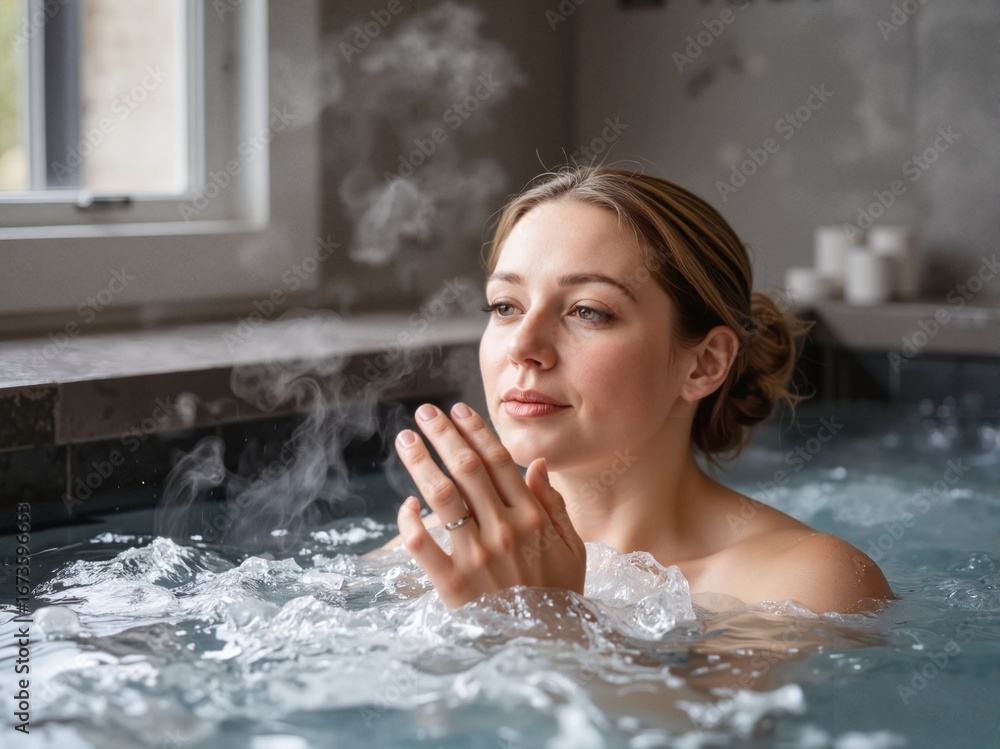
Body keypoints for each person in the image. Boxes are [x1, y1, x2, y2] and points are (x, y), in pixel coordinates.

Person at [370, 164, 893, 614]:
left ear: (703, 365)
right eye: (506, 306)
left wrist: (542, 619)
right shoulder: (431, 553)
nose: (523, 346)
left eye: (587, 311)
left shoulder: (808, 583)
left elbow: (700, 733)